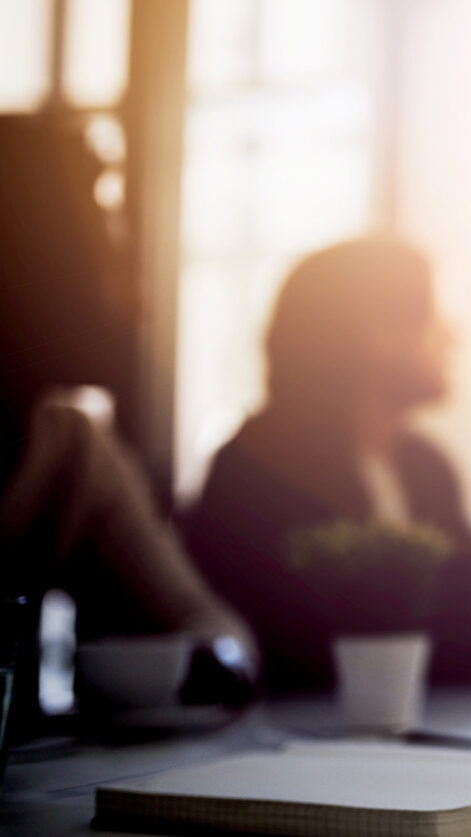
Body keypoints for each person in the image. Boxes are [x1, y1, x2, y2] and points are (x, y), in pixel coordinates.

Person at [1, 116, 254, 740]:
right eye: (104, 248)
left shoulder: (74, 450)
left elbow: (211, 630)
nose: (138, 301)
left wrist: (159, 666)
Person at [182, 239, 471, 690]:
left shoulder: (425, 466)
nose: (454, 335)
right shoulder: (259, 468)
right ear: (378, 333)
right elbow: (313, 647)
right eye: (434, 316)